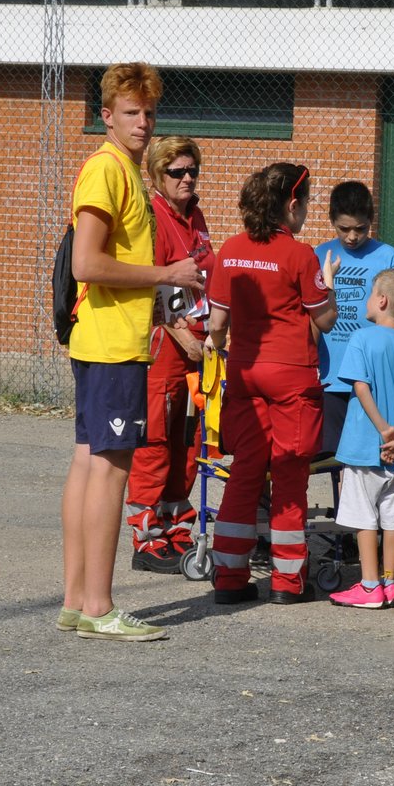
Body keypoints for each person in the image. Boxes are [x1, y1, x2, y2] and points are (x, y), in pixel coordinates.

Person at [59, 63, 203, 641]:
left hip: (105, 339)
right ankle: (98, 604)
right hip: (113, 343)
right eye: (131, 112)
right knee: (109, 472)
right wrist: (165, 272)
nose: (143, 122)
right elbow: (86, 264)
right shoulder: (107, 171)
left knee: (90, 465)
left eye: (149, 112)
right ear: (107, 115)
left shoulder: (119, 170)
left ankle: (77, 601)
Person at [206, 162, 339, 606]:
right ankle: (286, 581)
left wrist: (225, 350)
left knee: (243, 472)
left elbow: (218, 323)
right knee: (288, 475)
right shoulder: (301, 256)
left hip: (244, 371)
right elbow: (325, 317)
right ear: (292, 205)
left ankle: (228, 577)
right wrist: (330, 286)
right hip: (292, 377)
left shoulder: (230, 250)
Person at [125, 136, 213, 572]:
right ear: (158, 176)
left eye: (191, 170)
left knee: (188, 443)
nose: (187, 178)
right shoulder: (154, 217)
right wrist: (187, 339)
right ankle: (146, 540)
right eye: (177, 172)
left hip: (198, 350)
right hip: (166, 348)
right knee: (155, 442)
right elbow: (158, 286)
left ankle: (177, 531)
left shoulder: (194, 214)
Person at [327, 269, 394, 609]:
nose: (369, 298)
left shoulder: (361, 337)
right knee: (392, 518)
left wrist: (383, 427)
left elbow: (360, 386)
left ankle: (369, 586)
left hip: (365, 447)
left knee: (363, 518)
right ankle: (389, 583)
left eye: (372, 292)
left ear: (382, 301)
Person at [314, 181, 394, 455]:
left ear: (371, 221)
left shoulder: (386, 255)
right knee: (327, 456)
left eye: (361, 229)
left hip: (370, 376)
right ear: (332, 220)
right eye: (344, 229)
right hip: (330, 374)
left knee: (361, 456)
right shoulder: (320, 254)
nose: (352, 236)